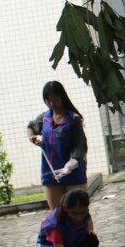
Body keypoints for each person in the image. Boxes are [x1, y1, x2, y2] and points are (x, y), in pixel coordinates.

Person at [27, 81, 88, 210]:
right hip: (51, 173)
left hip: (73, 173)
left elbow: (80, 146)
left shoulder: (73, 119)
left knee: (78, 213)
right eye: (48, 100)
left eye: (55, 99)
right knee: (57, 215)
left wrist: (69, 167)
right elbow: (31, 127)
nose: (52, 104)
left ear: (62, 98)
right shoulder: (45, 118)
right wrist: (32, 138)